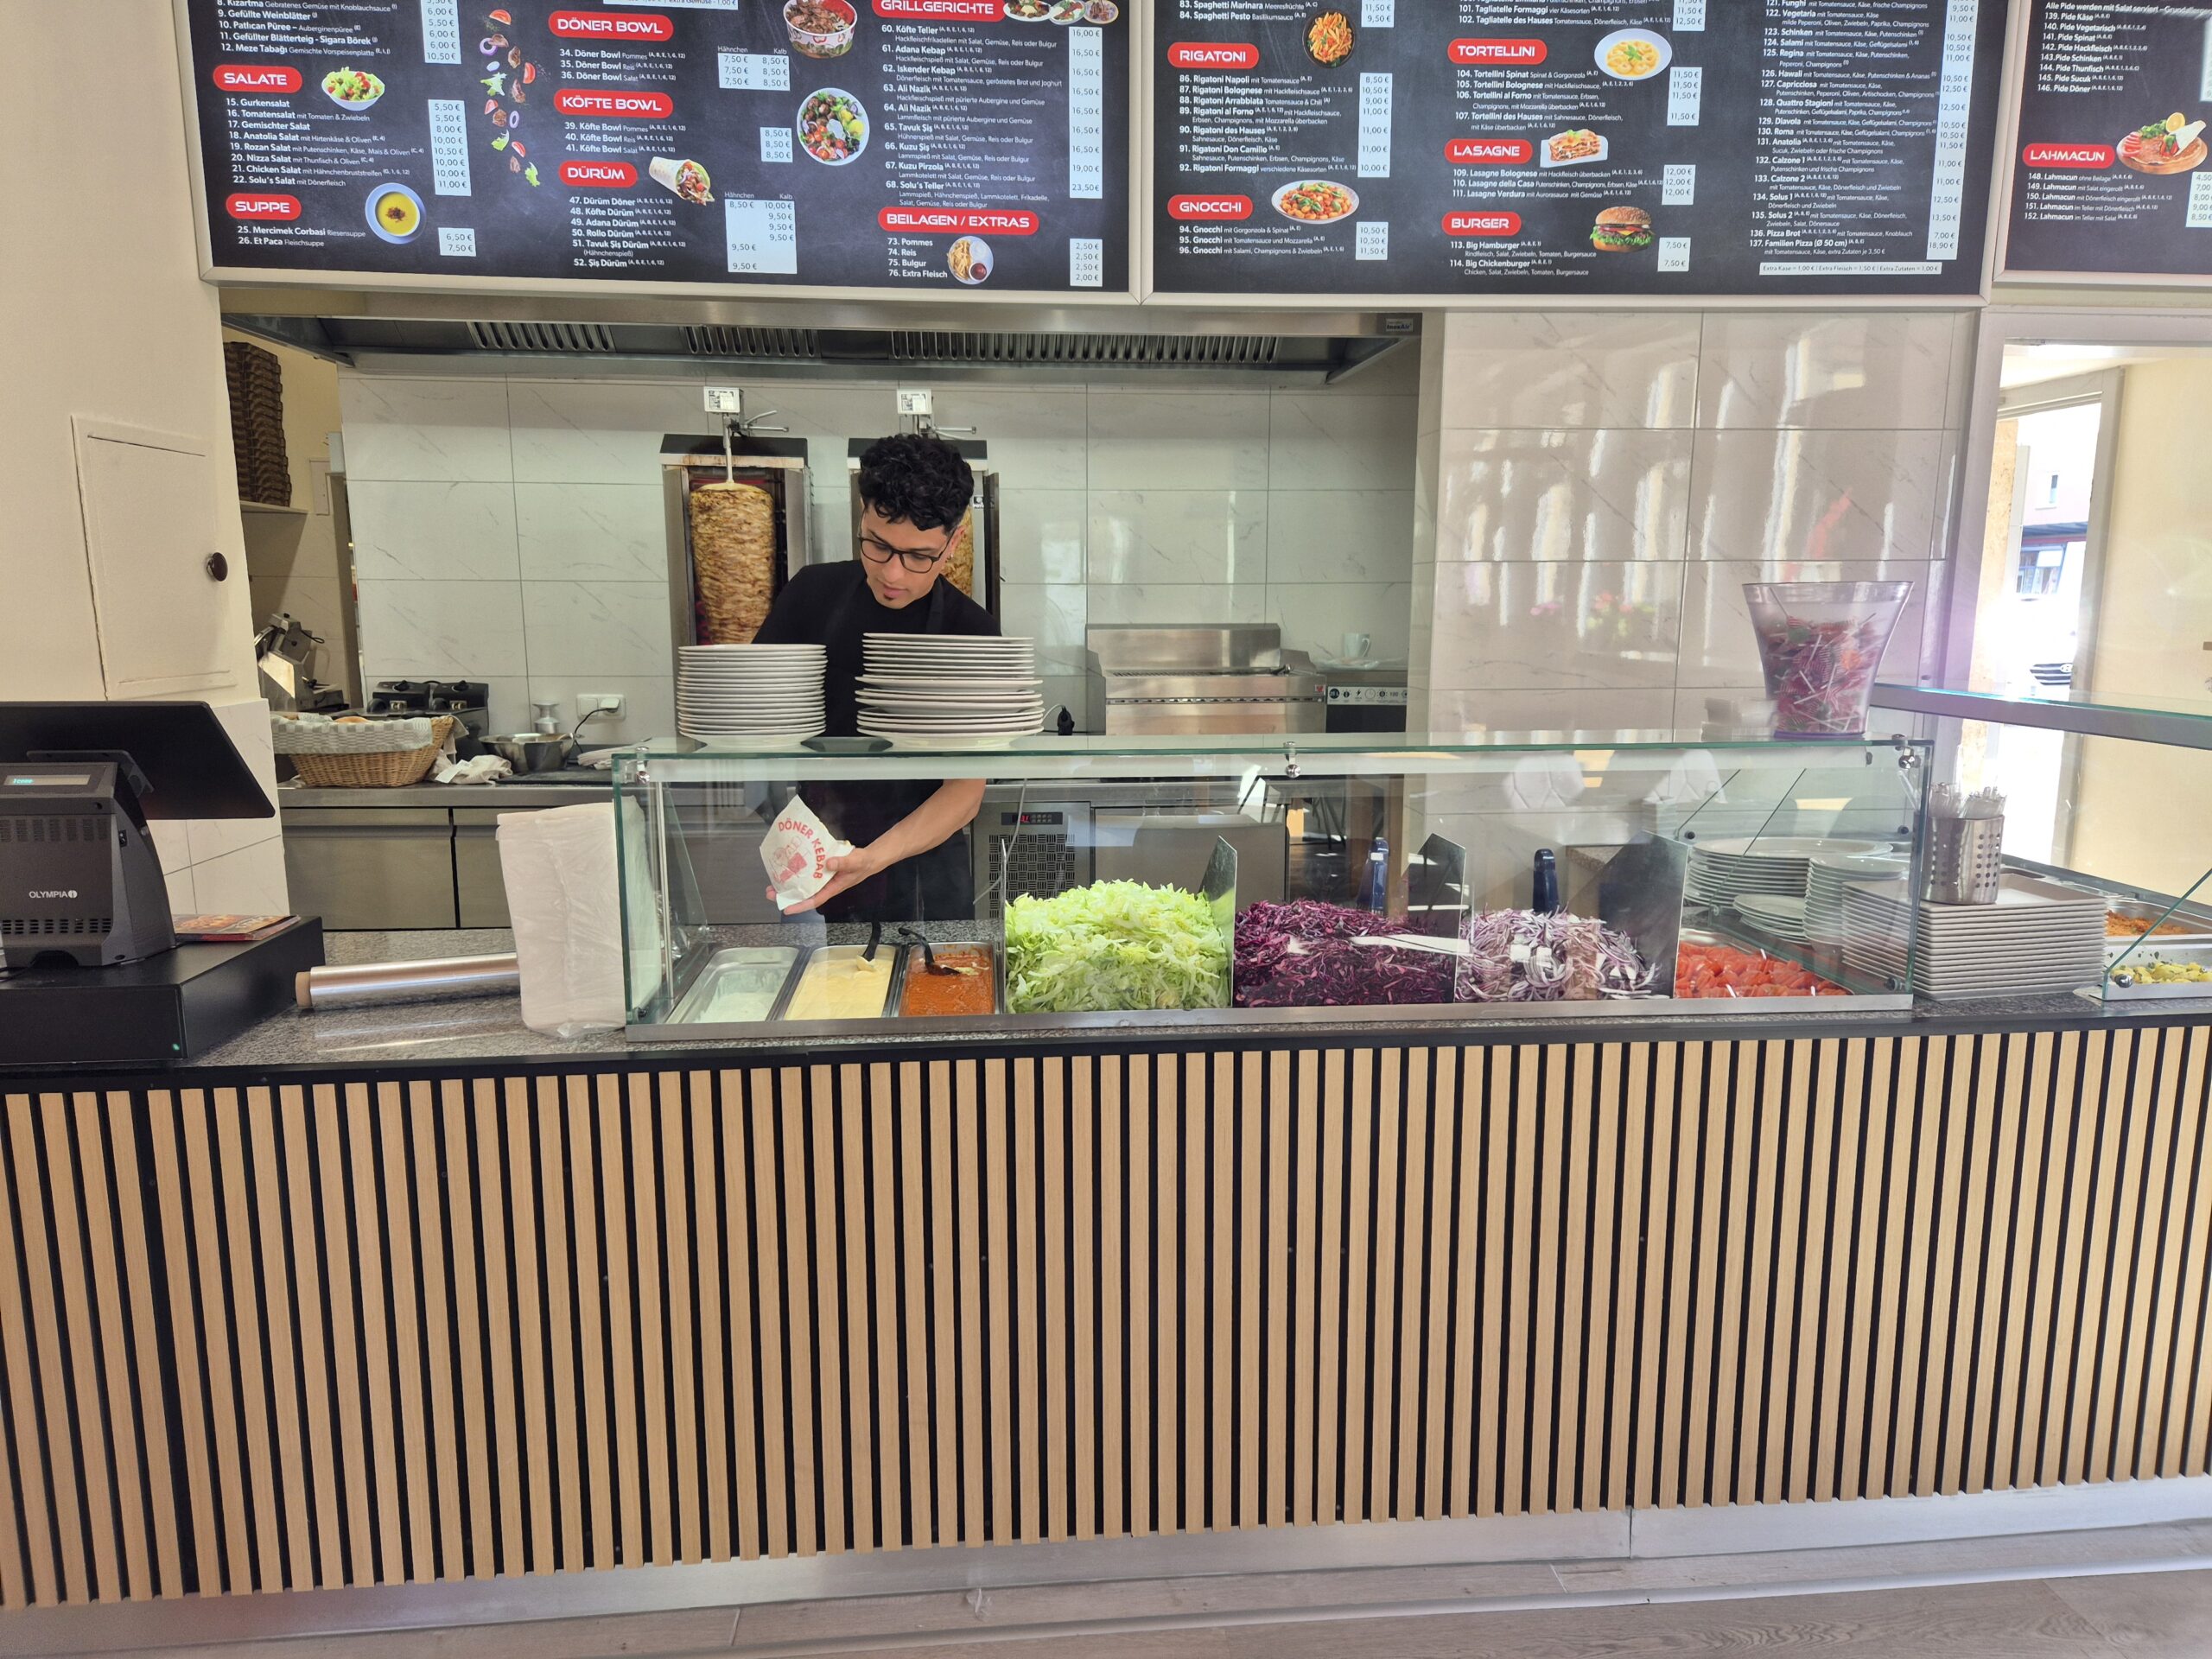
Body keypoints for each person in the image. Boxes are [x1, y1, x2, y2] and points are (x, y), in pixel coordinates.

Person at [752, 432, 993, 921]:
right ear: (862, 515)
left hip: (927, 861)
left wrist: (873, 860)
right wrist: (790, 833)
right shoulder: (811, 595)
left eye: (919, 556)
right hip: (823, 853)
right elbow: (760, 723)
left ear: (953, 543)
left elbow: (965, 793)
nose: (893, 574)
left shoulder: (971, 632)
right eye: (878, 545)